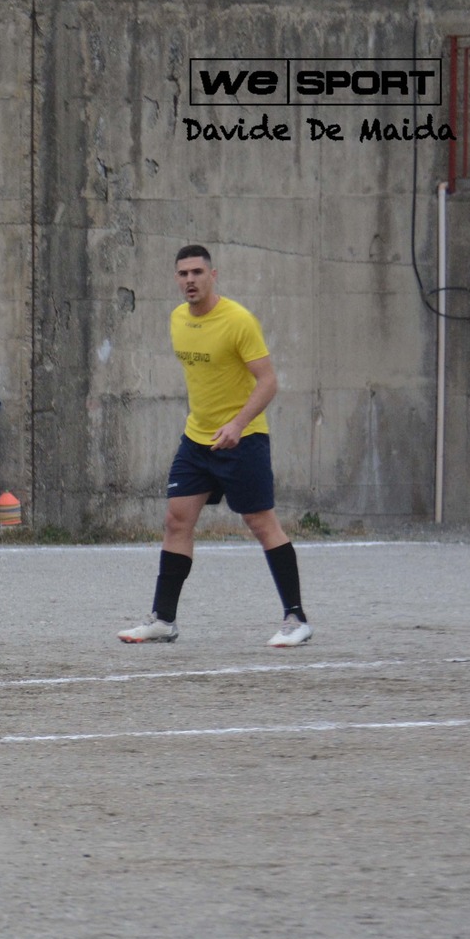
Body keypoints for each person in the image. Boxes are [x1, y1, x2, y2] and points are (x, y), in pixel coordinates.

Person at [119, 245, 311, 647]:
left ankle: (296, 618)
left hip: (243, 439)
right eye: (183, 273)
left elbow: (268, 381)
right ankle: (163, 620)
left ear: (213, 275)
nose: (190, 280)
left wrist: (237, 424)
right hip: (196, 440)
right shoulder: (177, 319)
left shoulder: (238, 320)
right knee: (176, 521)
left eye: (197, 272)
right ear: (176, 279)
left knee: (261, 523)